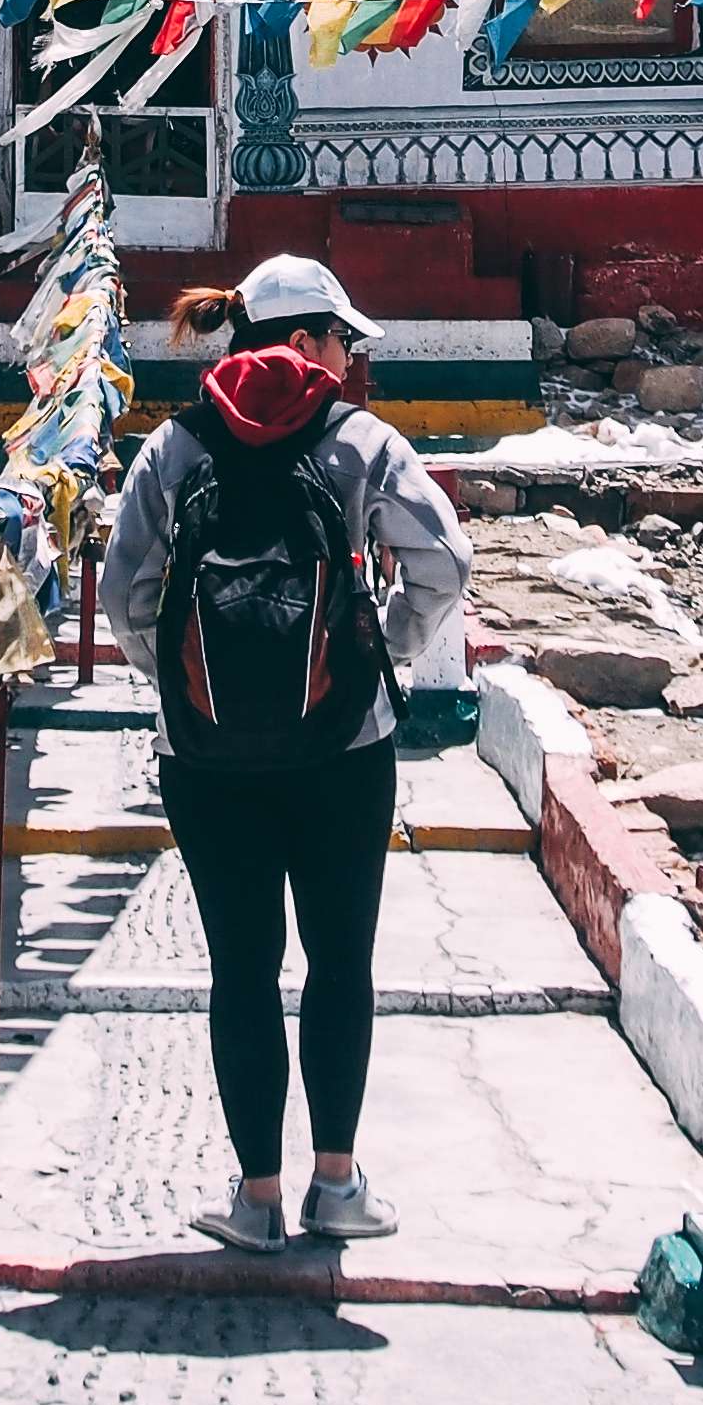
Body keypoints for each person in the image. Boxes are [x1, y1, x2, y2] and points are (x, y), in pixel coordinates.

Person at [99, 252, 472, 1252]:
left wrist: (183, 681)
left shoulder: (173, 449)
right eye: (343, 341)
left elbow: (120, 596)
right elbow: (445, 563)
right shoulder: (361, 444)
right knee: (339, 962)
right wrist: (374, 649)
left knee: (242, 967)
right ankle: (338, 1188)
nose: (350, 361)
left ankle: (257, 1200)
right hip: (344, 750)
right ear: (302, 341)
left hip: (206, 761)